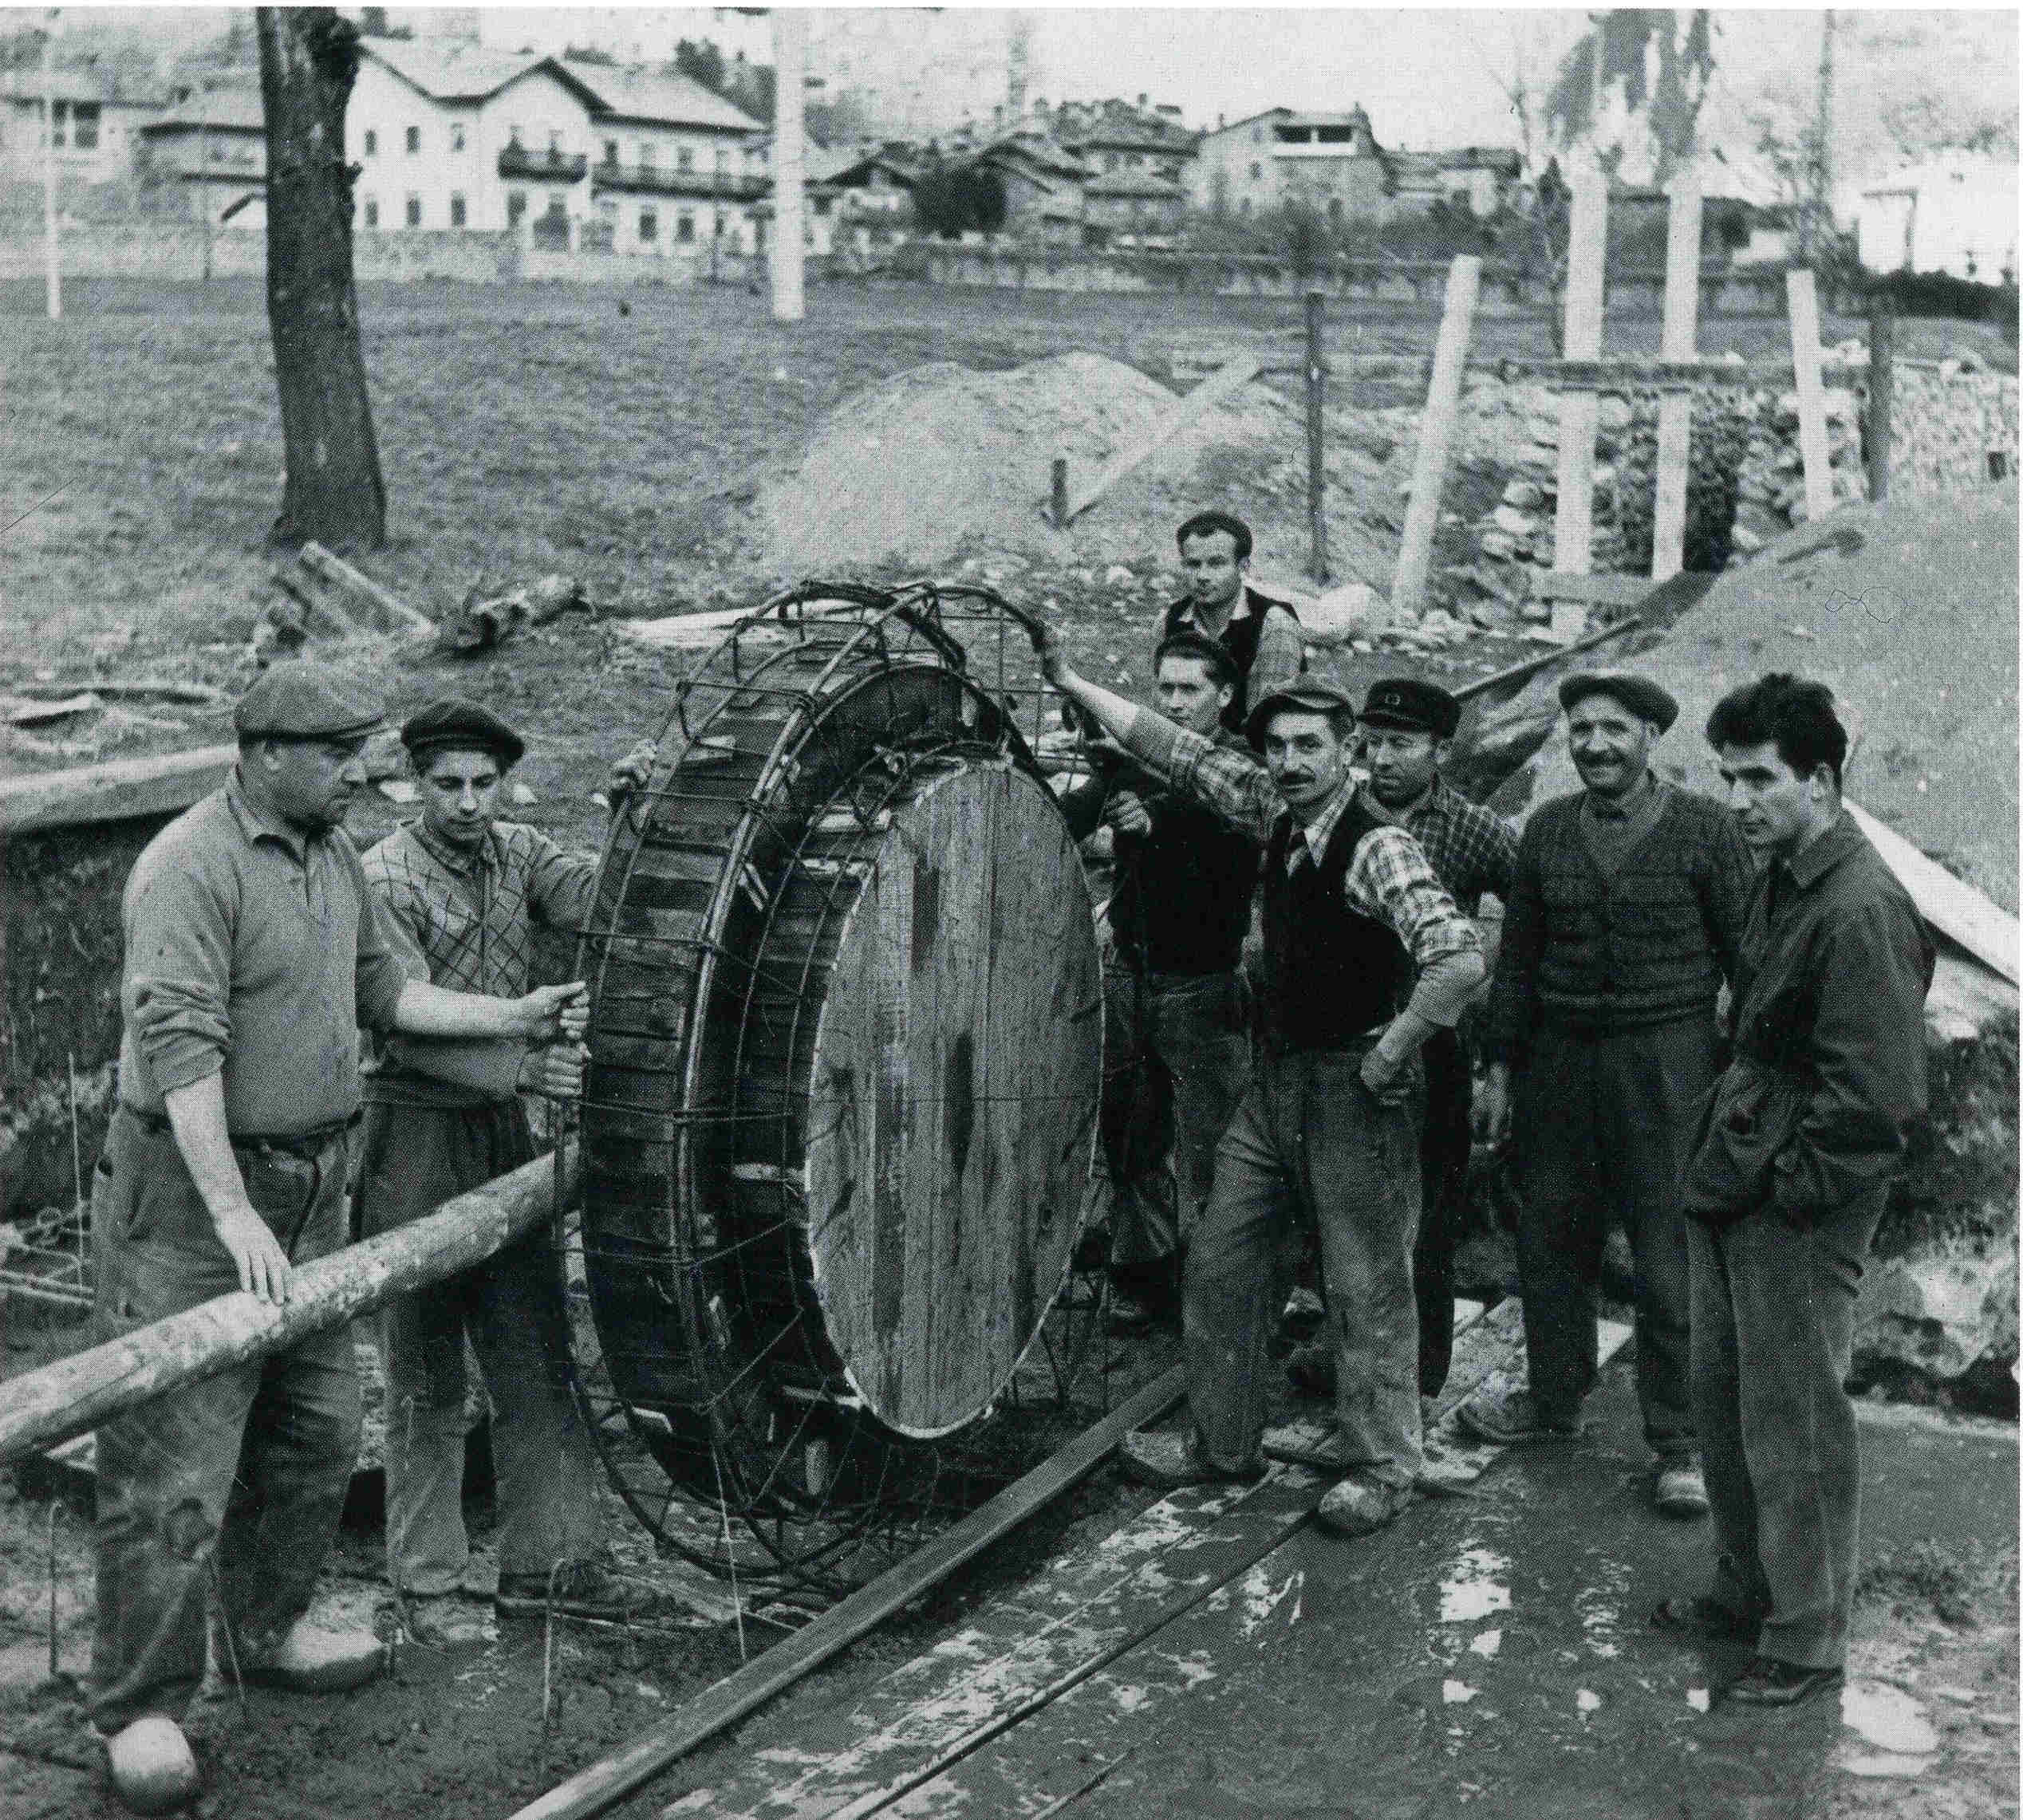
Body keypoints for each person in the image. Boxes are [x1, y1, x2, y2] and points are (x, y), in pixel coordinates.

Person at [89, 664, 589, 1816]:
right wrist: (230, 1211)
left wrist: (512, 1017)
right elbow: (181, 1053)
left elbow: (390, 995)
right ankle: (139, 1705)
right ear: (265, 753)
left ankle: (264, 1625)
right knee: (175, 1453)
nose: (362, 772)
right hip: (193, 1193)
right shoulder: (189, 867)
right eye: (337, 754)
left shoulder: (331, 858)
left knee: (316, 1427)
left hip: (312, 1183)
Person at [1039, 632, 1484, 1538]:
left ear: (1348, 751)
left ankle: (1384, 1465)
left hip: (1353, 1091)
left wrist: (1391, 1052)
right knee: (1222, 1258)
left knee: (1364, 1283)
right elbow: (1178, 748)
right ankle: (1224, 1444)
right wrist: (1071, 680)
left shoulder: (1378, 846)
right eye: (1277, 745)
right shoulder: (1275, 811)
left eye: (1308, 746)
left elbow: (1458, 959)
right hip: (1274, 1084)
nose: (1288, 761)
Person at [1658, 675, 1932, 1708]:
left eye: (1760, 779)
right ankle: (1748, 1589)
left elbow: (1876, 1098)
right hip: (1743, 1165)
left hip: (1795, 1194)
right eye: (1727, 778)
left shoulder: (1861, 907)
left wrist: (1790, 1193)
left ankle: (1808, 1635)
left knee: (1795, 1420)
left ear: (1821, 780)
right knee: (1726, 1398)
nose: (1737, 800)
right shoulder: (1783, 872)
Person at [357, 700, 652, 1639]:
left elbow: (607, 901)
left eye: (484, 783)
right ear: (414, 783)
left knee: (533, 1345)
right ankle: (427, 1586)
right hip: (411, 1131)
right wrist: (523, 1063)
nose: (468, 803)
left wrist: (634, 815)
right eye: (448, 784)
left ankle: (551, 1563)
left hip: (498, 1129)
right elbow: (399, 1023)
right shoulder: (383, 878)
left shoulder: (518, 852)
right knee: (426, 1370)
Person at [1468, 671, 1753, 1519]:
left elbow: (1750, 959)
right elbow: (1517, 961)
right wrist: (1499, 1069)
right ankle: (1553, 1400)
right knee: (1551, 1233)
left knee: (1670, 1251)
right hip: (1559, 1062)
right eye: (1581, 728)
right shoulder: (1549, 829)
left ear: (1650, 738)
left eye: (1614, 729)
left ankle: (1682, 1441)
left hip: (1667, 1062)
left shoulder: (1705, 829)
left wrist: (1745, 1074)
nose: (1595, 745)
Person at [1286, 679, 1517, 1402]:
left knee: (1430, 1214)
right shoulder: (1336, 815)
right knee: (1345, 1209)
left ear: (1441, 750)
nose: (1382, 759)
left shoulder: (1474, 829)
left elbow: (1530, 916)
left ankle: (1419, 1376)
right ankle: (1348, 1352)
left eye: (1402, 744)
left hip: (1431, 1044)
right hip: (1352, 1041)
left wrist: (1486, 987)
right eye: (1372, 743)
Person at [1059, 633, 1258, 1331]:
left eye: (1189, 689)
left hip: (1203, 987)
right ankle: (1144, 1274)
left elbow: (1228, 831)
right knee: (1129, 1134)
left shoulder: (1244, 767)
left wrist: (1157, 820)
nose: (1174, 702)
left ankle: (1220, 1293)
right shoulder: (1135, 760)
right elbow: (1071, 815)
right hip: (1130, 973)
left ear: (1224, 695)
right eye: (1164, 688)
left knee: (1216, 1147)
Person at [1158, 510, 1305, 736]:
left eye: (1216, 564)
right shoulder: (1170, 620)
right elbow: (1161, 710)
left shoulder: (1275, 626)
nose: (1202, 576)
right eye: (1193, 564)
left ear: (1243, 566)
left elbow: (1268, 727)